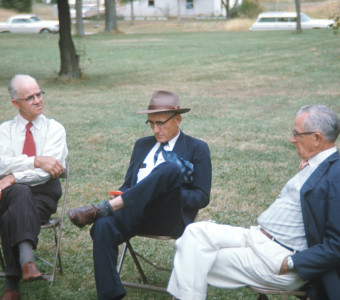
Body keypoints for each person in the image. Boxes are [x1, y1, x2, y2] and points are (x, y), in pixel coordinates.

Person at [167, 104, 340, 300]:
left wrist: (292, 262)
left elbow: (337, 246)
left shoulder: (336, 177)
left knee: (190, 257)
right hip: (257, 237)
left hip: (278, 258)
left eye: (297, 134)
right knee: (193, 232)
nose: (292, 139)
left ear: (316, 138)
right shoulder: (316, 164)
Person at [67, 90, 212, 300]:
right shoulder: (142, 145)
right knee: (102, 226)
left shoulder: (197, 148)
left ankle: (104, 208)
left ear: (178, 119)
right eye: (151, 123)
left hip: (169, 217)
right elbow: (128, 185)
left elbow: (201, 197)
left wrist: (164, 192)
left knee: (169, 169)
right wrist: (126, 194)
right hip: (134, 213)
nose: (156, 129)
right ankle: (110, 295)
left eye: (161, 123)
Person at [0, 74, 68, 300]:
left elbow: (44, 174)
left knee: (13, 206)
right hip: (8, 195)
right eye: (30, 97)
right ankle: (26, 263)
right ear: (15, 103)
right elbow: (1, 163)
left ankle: (12, 283)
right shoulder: (4, 131)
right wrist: (35, 160)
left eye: (39, 94)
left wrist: (11, 177)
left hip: (43, 195)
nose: (38, 100)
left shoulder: (55, 129)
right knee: (18, 194)